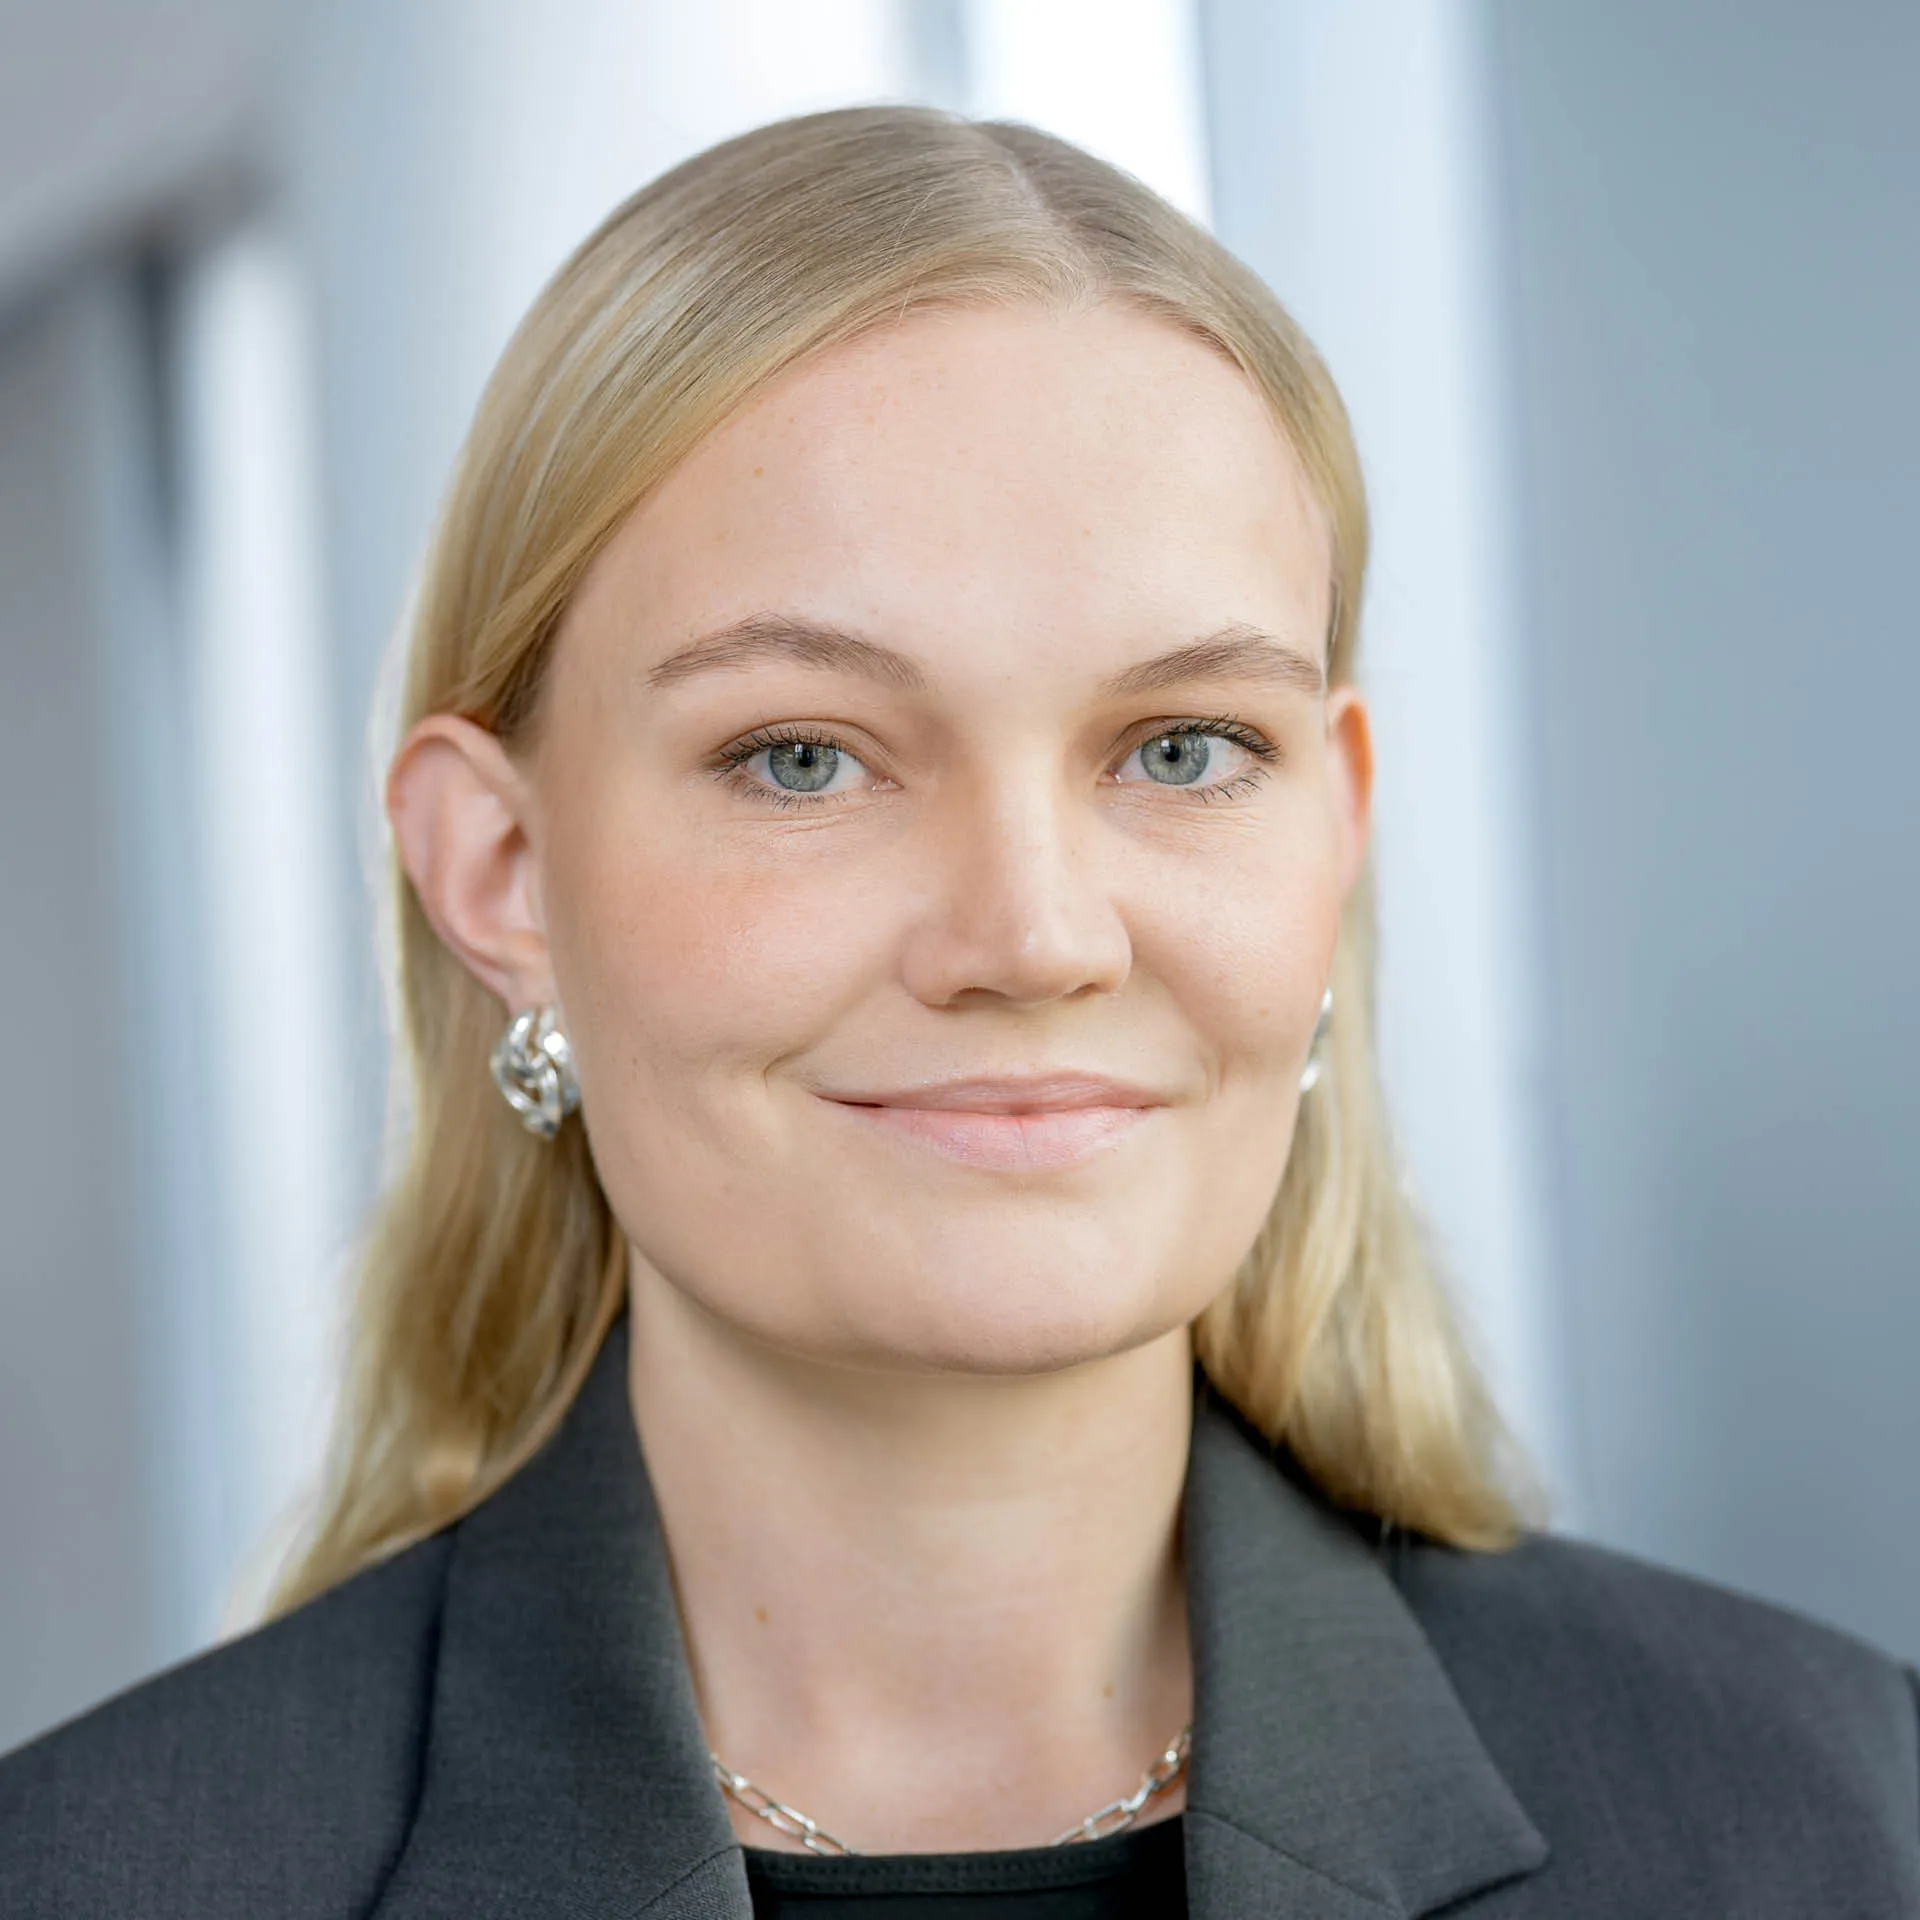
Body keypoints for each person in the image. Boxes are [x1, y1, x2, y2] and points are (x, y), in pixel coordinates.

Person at [2, 103, 1915, 1920]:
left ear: (1333, 835)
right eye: (805, 760)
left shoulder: (1829, 1820)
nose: (1034, 934)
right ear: (498, 873)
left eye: (1182, 745)